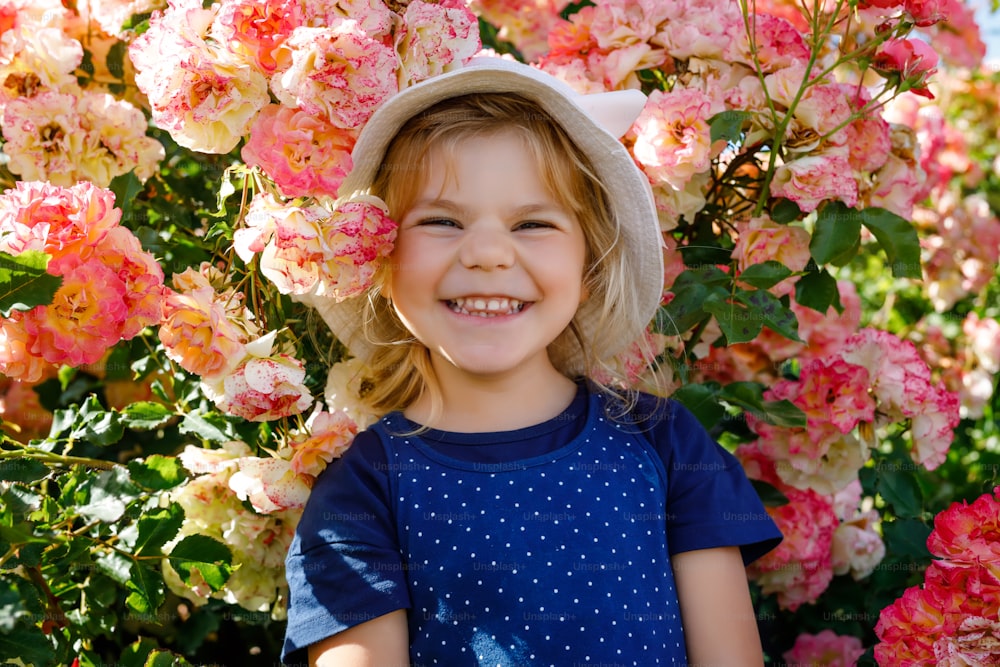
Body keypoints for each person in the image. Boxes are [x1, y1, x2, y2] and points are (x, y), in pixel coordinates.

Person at [283, 57, 782, 667]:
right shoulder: (363, 492)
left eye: (533, 223)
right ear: (379, 260)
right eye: (441, 221)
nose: (489, 253)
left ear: (589, 264)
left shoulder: (666, 446)